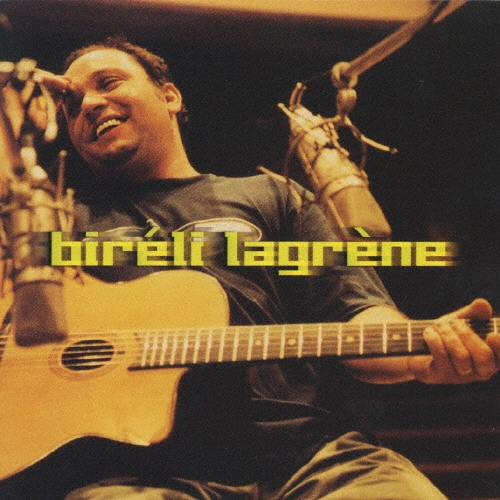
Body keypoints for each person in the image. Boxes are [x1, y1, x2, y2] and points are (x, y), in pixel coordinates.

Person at [2, 37, 500, 500]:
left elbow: (356, 312)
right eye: (71, 104)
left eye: (108, 83)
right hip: (136, 474)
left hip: (310, 457)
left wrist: (424, 357)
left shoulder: (271, 196)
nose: (89, 104)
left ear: (169, 96)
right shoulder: (56, 224)